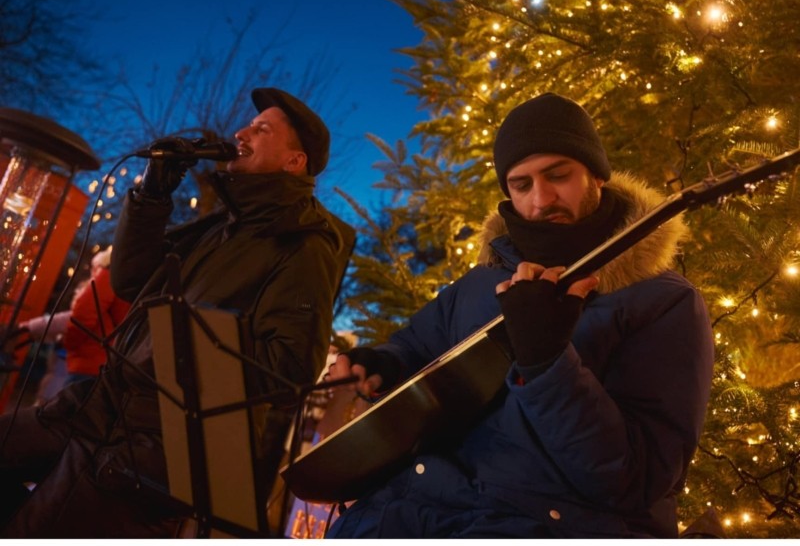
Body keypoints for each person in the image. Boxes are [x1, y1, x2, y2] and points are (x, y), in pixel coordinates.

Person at [327, 93, 715, 539]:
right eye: (521, 183)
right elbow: (414, 347)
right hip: (416, 507)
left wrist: (547, 361)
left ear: (597, 175)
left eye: (558, 175)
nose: (541, 198)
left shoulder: (663, 302)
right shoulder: (483, 280)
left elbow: (635, 480)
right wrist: (381, 365)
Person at [0, 87, 355, 538]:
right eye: (248, 124)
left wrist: (191, 340)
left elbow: (293, 365)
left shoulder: (303, 243)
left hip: (148, 450)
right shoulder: (220, 225)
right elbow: (131, 279)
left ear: (294, 162)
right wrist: (152, 195)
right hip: (92, 410)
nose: (241, 132)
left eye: (261, 129)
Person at [60, 246, 131, 387]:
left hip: (89, 360)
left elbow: (82, 315)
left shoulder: (105, 278)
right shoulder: (127, 285)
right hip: (109, 362)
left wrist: (69, 343)